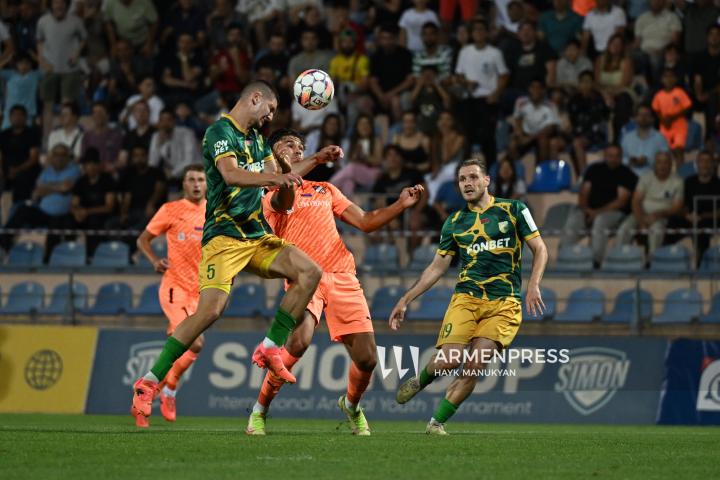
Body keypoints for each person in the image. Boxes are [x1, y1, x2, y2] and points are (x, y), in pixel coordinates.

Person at [130, 81, 341, 424]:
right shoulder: (220, 132)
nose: (270, 117)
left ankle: (270, 347)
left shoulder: (257, 140)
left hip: (256, 235)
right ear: (255, 98)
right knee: (210, 312)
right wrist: (276, 180)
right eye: (270, 110)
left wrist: (316, 159)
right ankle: (149, 382)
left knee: (310, 271)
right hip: (224, 237)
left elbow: (279, 176)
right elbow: (230, 174)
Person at [246, 129, 424, 436]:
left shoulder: (325, 189)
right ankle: (259, 411)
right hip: (304, 277)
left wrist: (399, 205)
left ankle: (351, 405)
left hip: (342, 275)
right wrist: (308, 161)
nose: (297, 149)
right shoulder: (269, 193)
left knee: (367, 359)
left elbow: (365, 222)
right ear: (272, 155)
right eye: (289, 145)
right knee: (299, 341)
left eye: (300, 146)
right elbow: (285, 197)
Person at [388, 157, 548, 435]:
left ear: (487, 180)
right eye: (462, 179)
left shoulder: (514, 210)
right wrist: (406, 299)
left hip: (504, 303)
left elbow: (540, 248)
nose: (467, 183)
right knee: (449, 360)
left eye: (473, 177)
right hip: (466, 299)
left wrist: (534, 284)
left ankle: (435, 423)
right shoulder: (455, 222)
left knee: (475, 364)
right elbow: (437, 267)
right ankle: (422, 379)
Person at [134, 164, 207, 427]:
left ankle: (143, 398)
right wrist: (155, 260)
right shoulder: (170, 210)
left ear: (207, 184)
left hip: (201, 292)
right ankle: (170, 388)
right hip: (175, 288)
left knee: (183, 347)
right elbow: (143, 239)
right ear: (184, 184)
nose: (196, 184)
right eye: (191, 180)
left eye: (201, 179)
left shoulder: (215, 212)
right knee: (195, 343)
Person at [562, 144, 637, 266]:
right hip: (590, 211)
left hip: (615, 213)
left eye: (616, 156)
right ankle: (564, 256)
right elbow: (584, 192)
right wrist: (586, 210)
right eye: (610, 155)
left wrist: (596, 213)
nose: (613, 159)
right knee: (573, 219)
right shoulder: (594, 169)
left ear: (621, 157)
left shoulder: (627, 174)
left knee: (600, 221)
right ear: (604, 155)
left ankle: (595, 261)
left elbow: (621, 201)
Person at [454, 18, 509, 169]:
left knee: (488, 137)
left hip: (488, 100)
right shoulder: (465, 52)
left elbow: (504, 75)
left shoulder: (495, 53)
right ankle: (467, 171)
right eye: (475, 30)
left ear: (487, 33)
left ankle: (490, 170)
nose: (478, 32)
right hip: (469, 100)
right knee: (468, 137)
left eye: (481, 29)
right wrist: (467, 83)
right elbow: (458, 75)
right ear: (471, 33)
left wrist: (496, 93)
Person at [615, 151, 683, 254]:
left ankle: (653, 261)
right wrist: (641, 221)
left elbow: (676, 207)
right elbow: (636, 201)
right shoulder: (645, 177)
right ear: (655, 164)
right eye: (659, 162)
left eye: (666, 162)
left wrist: (657, 215)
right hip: (640, 213)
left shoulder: (678, 181)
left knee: (656, 230)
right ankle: (619, 258)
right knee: (624, 228)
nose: (662, 166)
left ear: (670, 164)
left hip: (662, 216)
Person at [70, 148, 116, 257]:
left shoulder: (107, 180)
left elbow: (109, 206)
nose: (91, 167)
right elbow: (73, 204)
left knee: (93, 221)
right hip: (84, 215)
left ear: (99, 165)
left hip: (102, 216)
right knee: (68, 221)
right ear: (84, 166)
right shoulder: (80, 181)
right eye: (88, 164)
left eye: (94, 164)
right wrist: (77, 212)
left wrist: (87, 211)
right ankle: (70, 254)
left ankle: (92, 256)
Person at [511, 79, 560, 164]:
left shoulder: (551, 105)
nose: (535, 90)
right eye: (533, 87)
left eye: (538, 88)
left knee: (543, 140)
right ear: (529, 89)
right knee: (512, 144)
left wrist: (530, 139)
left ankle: (541, 169)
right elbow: (518, 121)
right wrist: (520, 135)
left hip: (542, 135)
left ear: (543, 90)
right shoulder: (521, 102)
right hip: (526, 133)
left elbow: (550, 128)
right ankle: (515, 169)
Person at [652, 68, 692, 166]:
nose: (668, 79)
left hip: (679, 127)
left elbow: (687, 107)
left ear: (675, 79)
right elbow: (656, 110)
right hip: (665, 127)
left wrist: (673, 117)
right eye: (666, 77)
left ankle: (680, 168)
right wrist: (663, 119)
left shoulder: (680, 92)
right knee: (665, 151)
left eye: (671, 76)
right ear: (662, 79)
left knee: (678, 149)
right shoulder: (658, 95)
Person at [148, 109, 199, 185]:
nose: (165, 124)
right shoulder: (156, 136)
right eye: (162, 120)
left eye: (168, 120)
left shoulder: (186, 133)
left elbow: (189, 160)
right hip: (172, 177)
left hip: (193, 174)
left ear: (174, 121)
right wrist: (159, 144)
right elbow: (152, 163)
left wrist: (172, 173)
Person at [620, 104, 669, 176]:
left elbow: (667, 160)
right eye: (640, 115)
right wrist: (630, 161)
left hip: (653, 178)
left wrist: (647, 161)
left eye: (646, 115)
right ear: (635, 118)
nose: (643, 118)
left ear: (652, 119)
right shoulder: (627, 138)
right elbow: (620, 158)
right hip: (629, 177)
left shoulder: (660, 138)